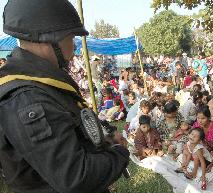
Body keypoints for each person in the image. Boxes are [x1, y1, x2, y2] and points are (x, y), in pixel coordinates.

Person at [0, 1, 129, 193]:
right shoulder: (28, 98)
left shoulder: (43, 85)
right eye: (71, 37)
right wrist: (120, 154)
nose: (74, 46)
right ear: (49, 40)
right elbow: (77, 177)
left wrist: (106, 141)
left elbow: (70, 135)